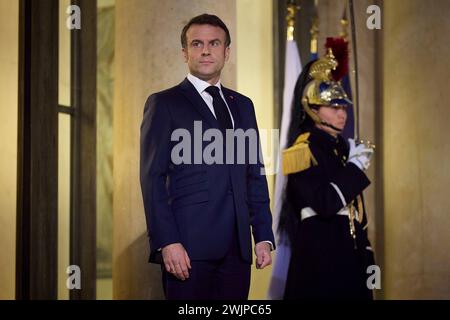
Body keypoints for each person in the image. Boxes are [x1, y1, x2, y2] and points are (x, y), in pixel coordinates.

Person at [139, 14, 275, 300]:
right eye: (196, 43)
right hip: (188, 248)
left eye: (214, 43)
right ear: (184, 53)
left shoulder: (244, 106)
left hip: (237, 251)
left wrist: (262, 235)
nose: (205, 50)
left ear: (226, 52)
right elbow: (152, 179)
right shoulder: (164, 103)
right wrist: (168, 242)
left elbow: (254, 174)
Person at [279, 43, 376, 300]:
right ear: (313, 109)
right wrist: (354, 168)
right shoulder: (301, 150)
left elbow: (357, 213)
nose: (342, 114)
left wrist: (366, 253)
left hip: (351, 258)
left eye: (343, 107)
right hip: (321, 261)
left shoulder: (342, 149)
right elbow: (325, 202)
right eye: (334, 107)